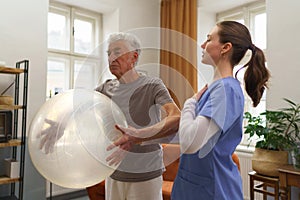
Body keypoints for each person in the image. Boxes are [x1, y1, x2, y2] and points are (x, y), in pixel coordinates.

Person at [171, 21, 270, 200]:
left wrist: (189, 103)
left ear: (225, 48)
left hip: (213, 189)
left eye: (209, 39)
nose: (202, 44)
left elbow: (190, 142)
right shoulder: (215, 89)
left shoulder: (226, 91)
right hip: (194, 185)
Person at [89, 32, 181, 200]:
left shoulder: (152, 85)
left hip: (146, 174)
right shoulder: (104, 89)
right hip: (114, 173)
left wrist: (139, 135)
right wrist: (58, 126)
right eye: (109, 53)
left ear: (134, 57)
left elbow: (176, 117)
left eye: (117, 52)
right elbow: (78, 107)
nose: (111, 58)